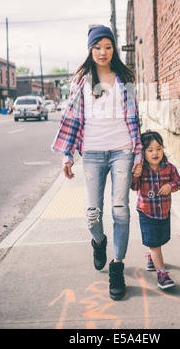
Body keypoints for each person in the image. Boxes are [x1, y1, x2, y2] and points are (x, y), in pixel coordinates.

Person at [51, 24, 143, 300]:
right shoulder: (82, 81)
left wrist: (138, 155)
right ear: (90, 50)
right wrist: (68, 155)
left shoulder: (124, 78)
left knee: (120, 210)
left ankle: (117, 266)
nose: (102, 52)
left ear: (114, 49)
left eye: (107, 46)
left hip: (122, 152)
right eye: (97, 47)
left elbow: (135, 120)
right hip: (91, 154)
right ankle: (99, 242)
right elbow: (72, 120)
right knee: (92, 212)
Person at [131, 131, 180, 290]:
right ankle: (162, 274)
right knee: (154, 244)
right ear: (143, 153)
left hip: (163, 211)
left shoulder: (169, 168)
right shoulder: (141, 169)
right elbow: (134, 187)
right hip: (146, 212)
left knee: (161, 239)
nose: (155, 153)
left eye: (159, 148)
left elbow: (178, 182)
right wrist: (135, 176)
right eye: (150, 150)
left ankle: (152, 259)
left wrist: (170, 186)